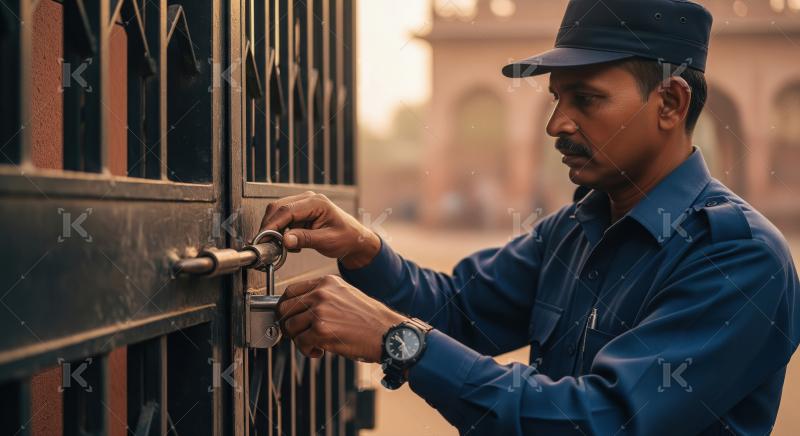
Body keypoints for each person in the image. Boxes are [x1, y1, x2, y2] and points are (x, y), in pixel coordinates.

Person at [261, 0, 800, 434]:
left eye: (586, 99)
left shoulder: (738, 256)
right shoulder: (576, 229)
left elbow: (601, 421)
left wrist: (399, 340)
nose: (555, 124)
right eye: (557, 99)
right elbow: (459, 311)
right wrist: (363, 249)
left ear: (670, 103)